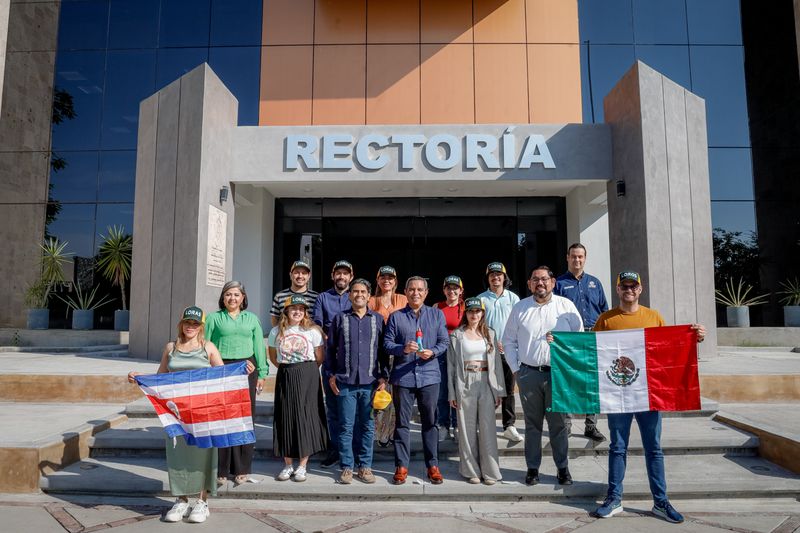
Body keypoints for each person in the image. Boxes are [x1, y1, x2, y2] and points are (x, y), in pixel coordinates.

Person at [591, 271, 706, 523]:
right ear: (618, 289)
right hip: (618, 395)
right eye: (624, 286)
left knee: (653, 449)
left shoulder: (654, 317)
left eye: (633, 286)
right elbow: (590, 351)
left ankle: (660, 502)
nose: (629, 290)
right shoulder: (606, 319)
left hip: (648, 396)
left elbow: (669, 349)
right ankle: (614, 498)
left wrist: (694, 337)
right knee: (617, 448)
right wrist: (559, 342)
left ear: (640, 289)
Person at [127, 306, 253, 523]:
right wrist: (139, 377)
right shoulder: (170, 347)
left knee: (204, 455)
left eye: (195, 324)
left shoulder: (208, 347)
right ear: (181, 324)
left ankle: (202, 502)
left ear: (201, 326)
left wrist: (244, 369)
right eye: (187, 322)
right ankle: (181, 499)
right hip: (176, 415)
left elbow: (223, 377)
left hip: (203, 414)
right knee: (178, 456)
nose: (190, 327)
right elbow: (160, 378)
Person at [502, 266, 583, 487]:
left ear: (553, 282)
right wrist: (516, 370)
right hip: (529, 374)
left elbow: (579, 340)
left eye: (545, 279)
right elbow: (508, 341)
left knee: (558, 425)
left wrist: (562, 343)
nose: (540, 283)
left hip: (558, 374)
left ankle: (563, 469)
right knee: (532, 425)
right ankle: (532, 469)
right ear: (529, 284)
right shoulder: (520, 308)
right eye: (535, 279)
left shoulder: (566, 307)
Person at [384, 276, 449, 485]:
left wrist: (432, 352)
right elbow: (386, 343)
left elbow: (444, 341)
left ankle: (433, 465)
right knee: (402, 423)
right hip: (403, 376)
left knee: (430, 422)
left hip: (429, 375)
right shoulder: (396, 317)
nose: (416, 293)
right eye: (411, 289)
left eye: (420, 289)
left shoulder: (436, 314)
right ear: (405, 291)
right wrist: (402, 348)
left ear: (426, 292)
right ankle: (401, 465)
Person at [325, 278, 388, 484]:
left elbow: (382, 352)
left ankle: (365, 466)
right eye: (355, 291)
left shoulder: (377, 319)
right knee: (346, 426)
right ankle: (346, 467)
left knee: (368, 426)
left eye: (363, 291)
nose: (359, 295)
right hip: (345, 382)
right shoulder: (339, 319)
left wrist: (383, 377)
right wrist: (331, 375)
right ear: (350, 295)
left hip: (370, 383)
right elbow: (330, 350)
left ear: (369, 295)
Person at [204, 281, 267, 486]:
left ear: (243, 298)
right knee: (222, 418)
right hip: (221, 369)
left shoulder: (252, 319)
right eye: (228, 294)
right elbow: (205, 345)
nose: (232, 298)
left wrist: (262, 373)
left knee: (244, 418)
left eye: (236, 295)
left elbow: (259, 347)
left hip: (247, 368)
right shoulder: (214, 318)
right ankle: (221, 468)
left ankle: (242, 468)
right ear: (223, 298)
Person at [268, 295, 328, 483]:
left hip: (308, 373)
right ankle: (288, 465)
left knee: (306, 416)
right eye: (293, 308)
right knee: (285, 416)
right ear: (286, 311)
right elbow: (273, 356)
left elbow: (319, 357)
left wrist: (304, 369)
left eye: (301, 309)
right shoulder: (276, 331)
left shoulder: (312, 330)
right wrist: (289, 368)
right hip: (286, 373)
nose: (297, 312)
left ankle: (302, 466)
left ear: (305, 312)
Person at [447, 297, 505, 485]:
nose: (474, 314)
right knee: (466, 429)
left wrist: (499, 390)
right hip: (465, 381)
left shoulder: (490, 334)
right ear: (466, 313)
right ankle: (471, 470)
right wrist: (451, 393)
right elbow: (451, 367)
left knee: (488, 428)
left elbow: (497, 364)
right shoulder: (457, 335)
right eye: (470, 311)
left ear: (482, 313)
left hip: (486, 381)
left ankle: (490, 471)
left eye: (477, 311)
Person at [554, 243, 609, 443]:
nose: (577, 260)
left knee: (591, 383)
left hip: (593, 337)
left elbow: (604, 310)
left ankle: (591, 426)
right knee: (568, 382)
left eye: (581, 257)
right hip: (569, 339)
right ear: (567, 258)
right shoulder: (558, 284)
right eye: (574, 256)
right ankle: (566, 426)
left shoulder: (595, 283)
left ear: (585, 259)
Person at [312, 260, 354, 468]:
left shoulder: (356, 295)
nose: (341, 277)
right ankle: (334, 449)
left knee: (352, 407)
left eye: (345, 274)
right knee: (334, 408)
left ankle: (351, 450)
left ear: (351, 277)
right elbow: (317, 324)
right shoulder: (322, 298)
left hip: (353, 360)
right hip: (330, 359)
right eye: (338, 273)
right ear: (332, 275)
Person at [478, 262, 523, 443]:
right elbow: (476, 324)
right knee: (486, 389)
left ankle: (509, 425)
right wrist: (490, 340)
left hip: (508, 350)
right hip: (486, 350)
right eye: (492, 275)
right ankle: (486, 424)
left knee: (508, 390)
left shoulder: (513, 298)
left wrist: (509, 342)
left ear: (505, 277)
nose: (495, 277)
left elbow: (520, 324)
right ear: (487, 278)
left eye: (499, 274)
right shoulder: (481, 299)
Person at [368, 265, 407, 448]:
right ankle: (379, 434)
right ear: (378, 280)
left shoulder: (402, 299)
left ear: (395, 281)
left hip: (398, 354)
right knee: (380, 393)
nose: (387, 280)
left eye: (390, 277)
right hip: (377, 355)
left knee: (396, 396)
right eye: (383, 277)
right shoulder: (371, 301)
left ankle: (392, 433)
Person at [435, 275, 465, 441]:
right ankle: (443, 425)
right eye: (448, 287)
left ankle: (457, 425)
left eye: (455, 288)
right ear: (444, 290)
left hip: (460, 353)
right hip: (441, 353)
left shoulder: (466, 307)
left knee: (458, 390)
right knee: (442, 391)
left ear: (461, 290)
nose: (452, 291)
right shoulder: (437, 307)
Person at [270, 260, 319, 326]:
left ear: (309, 276)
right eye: (296, 273)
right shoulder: (279, 296)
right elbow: (274, 319)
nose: (300, 276)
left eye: (304, 273)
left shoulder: (316, 297)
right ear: (290, 275)